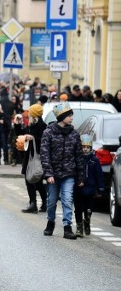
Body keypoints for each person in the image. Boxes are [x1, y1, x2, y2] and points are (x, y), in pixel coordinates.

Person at [40, 102, 84, 239]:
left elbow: (79, 156)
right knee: (52, 201)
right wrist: (48, 174)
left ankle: (67, 227)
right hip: (53, 174)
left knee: (67, 199)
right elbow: (44, 154)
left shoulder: (74, 134)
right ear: (62, 117)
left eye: (71, 115)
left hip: (69, 174)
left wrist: (81, 177)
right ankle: (50, 223)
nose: (71, 118)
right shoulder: (48, 132)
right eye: (69, 115)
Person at [74, 134, 104, 237]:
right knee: (78, 209)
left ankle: (87, 222)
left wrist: (100, 188)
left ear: (90, 148)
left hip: (90, 189)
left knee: (88, 210)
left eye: (87, 147)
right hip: (78, 188)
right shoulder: (77, 159)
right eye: (83, 147)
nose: (85, 149)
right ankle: (79, 228)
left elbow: (99, 175)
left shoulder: (94, 160)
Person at [20, 104, 47, 213]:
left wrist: (34, 138)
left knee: (38, 182)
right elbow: (21, 136)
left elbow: (44, 141)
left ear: (34, 114)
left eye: (30, 113)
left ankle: (44, 203)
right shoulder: (30, 124)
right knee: (28, 180)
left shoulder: (42, 126)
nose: (29, 114)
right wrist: (17, 125)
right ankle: (33, 203)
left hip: (38, 158)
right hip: (29, 157)